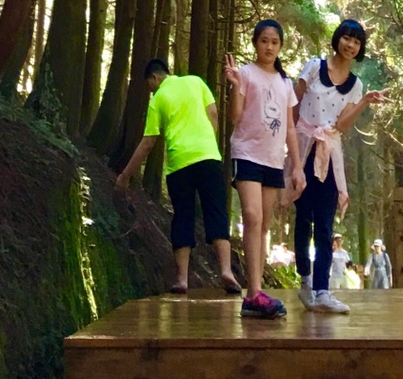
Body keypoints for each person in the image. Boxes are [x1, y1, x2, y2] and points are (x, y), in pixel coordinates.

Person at [116, 58, 243, 296]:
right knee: (216, 212)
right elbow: (214, 113)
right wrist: (206, 140)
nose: (151, 89)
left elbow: (148, 142)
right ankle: (226, 270)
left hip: (179, 164)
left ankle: (182, 279)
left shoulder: (159, 99)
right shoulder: (196, 82)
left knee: (183, 217)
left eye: (149, 85)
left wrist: (125, 176)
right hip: (208, 157)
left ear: (154, 78)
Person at [292, 18, 387, 314]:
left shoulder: (355, 85)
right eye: (346, 38)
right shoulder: (313, 66)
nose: (350, 44)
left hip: (329, 154)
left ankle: (323, 290)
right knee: (302, 216)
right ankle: (305, 281)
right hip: (304, 147)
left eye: (356, 42)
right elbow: (293, 102)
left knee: (324, 222)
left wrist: (364, 103)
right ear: (338, 39)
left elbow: (342, 126)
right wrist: (290, 147)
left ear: (360, 48)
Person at [224, 19, 302, 320]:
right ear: (255, 43)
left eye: (274, 42)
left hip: (273, 159)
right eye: (264, 41)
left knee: (264, 224)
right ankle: (253, 292)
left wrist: (296, 167)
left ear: (280, 46)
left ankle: (255, 293)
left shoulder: (285, 83)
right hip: (247, 154)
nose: (269, 46)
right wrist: (234, 86)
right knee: (252, 217)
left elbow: (291, 129)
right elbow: (235, 117)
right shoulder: (245, 73)